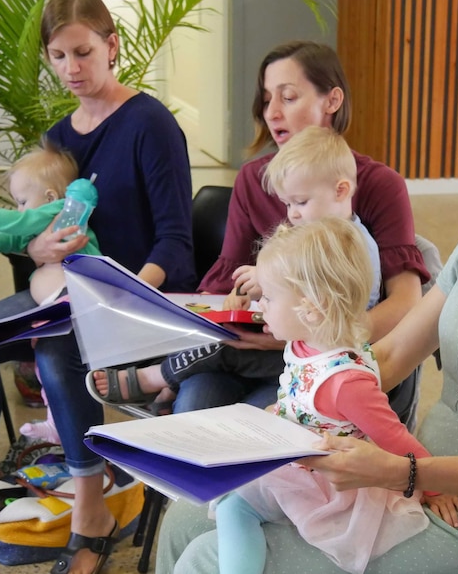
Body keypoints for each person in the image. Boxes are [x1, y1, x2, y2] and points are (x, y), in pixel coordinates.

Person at [157, 45, 458, 574]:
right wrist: (298, 405)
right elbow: (395, 351)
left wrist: (405, 473)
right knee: (189, 516)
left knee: (208, 555)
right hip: (405, 472)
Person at [0, 1, 194, 574]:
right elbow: (37, 229)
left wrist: (121, 296)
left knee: (59, 354)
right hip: (66, 293)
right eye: (58, 56)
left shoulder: (149, 125)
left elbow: (176, 244)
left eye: (83, 52)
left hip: (137, 297)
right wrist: (36, 250)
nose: (71, 68)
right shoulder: (58, 137)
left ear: (112, 46)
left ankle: (91, 517)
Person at [86, 125, 383, 412]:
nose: (292, 215)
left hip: (312, 359)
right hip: (295, 349)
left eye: (300, 202)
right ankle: (169, 385)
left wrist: (270, 283)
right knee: (219, 338)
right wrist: (255, 297)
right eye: (287, 204)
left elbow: (343, 316)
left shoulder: (349, 247)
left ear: (341, 190)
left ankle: (153, 379)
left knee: (222, 347)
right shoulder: (312, 234)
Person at [215, 218, 453, 574]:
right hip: (296, 456)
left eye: (268, 296)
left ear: (311, 307)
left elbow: (395, 436)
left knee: (233, 509)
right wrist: (277, 412)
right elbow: (296, 396)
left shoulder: (345, 382)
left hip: (328, 483)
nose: (259, 305)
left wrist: (435, 486)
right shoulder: (301, 344)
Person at [0, 142, 101, 305]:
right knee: (40, 279)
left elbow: (19, 222)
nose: (19, 210)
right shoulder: (42, 223)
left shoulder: (59, 209)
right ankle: (58, 308)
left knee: (42, 277)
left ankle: (63, 308)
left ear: (50, 197)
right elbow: (17, 238)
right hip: (73, 282)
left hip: (83, 277)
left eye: (22, 202)